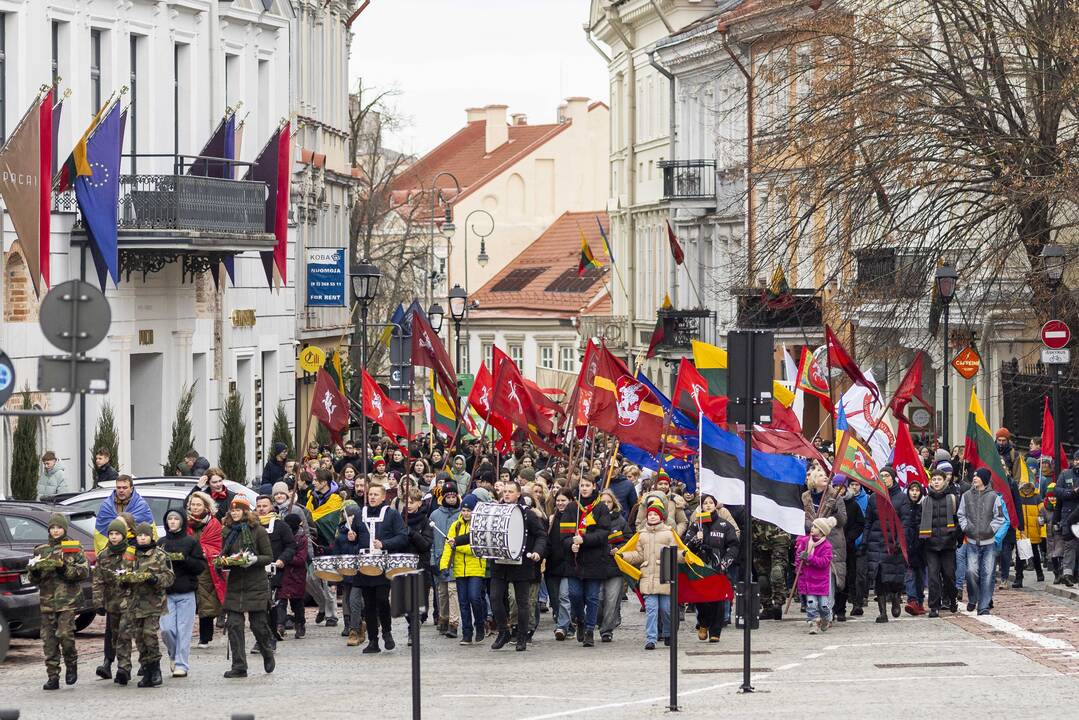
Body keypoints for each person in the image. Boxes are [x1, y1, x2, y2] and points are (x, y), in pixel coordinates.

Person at [29, 513, 91, 690]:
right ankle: (53, 676)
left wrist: (64, 568)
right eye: (53, 528)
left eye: (59, 527)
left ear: (65, 529)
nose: (56, 531)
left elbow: (83, 572)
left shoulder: (73, 548)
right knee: (49, 641)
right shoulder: (41, 550)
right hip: (47, 602)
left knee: (65, 635)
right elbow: (33, 578)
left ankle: (71, 665)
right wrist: (34, 571)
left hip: (67, 601)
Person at [220, 497, 276, 678]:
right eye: (232, 510)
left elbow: (268, 556)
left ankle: (267, 651)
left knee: (258, 625)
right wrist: (222, 562)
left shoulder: (258, 530)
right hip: (236, 584)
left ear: (245, 511)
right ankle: (239, 665)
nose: (234, 513)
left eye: (238, 510)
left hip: (256, 583)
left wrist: (253, 560)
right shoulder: (227, 531)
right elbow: (224, 555)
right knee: (234, 625)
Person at [489, 480, 547, 652]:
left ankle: (522, 636)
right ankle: (504, 632)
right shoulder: (496, 512)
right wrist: (459, 541)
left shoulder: (527, 514)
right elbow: (480, 532)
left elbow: (541, 536)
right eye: (504, 491)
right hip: (499, 563)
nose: (506, 494)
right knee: (495, 598)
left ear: (518, 494)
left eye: (510, 491)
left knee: (522, 603)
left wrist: (537, 552)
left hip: (521, 564)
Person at [352, 483, 409, 654]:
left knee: (382, 599)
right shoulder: (359, 514)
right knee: (368, 604)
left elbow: (402, 537)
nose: (372, 497)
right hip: (364, 565)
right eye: (370, 494)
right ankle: (373, 641)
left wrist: (385, 543)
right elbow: (350, 536)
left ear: (384, 497)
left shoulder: (391, 515)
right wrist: (350, 536)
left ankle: (387, 632)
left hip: (383, 565)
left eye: (376, 494)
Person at [619, 499, 678, 650]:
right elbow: (639, 555)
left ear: (662, 517)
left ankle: (667, 633)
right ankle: (650, 638)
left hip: (665, 576)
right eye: (650, 514)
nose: (652, 516)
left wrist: (682, 555)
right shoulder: (642, 534)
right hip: (647, 578)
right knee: (651, 609)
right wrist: (625, 556)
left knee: (665, 609)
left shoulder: (669, 533)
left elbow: (675, 552)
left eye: (655, 514)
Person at [124, 522, 175, 688]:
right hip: (135, 603)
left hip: (153, 603)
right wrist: (123, 581)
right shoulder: (130, 554)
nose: (142, 538)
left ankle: (155, 670)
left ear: (151, 536)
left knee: (149, 635)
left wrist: (155, 579)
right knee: (139, 638)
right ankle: (145, 670)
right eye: (139, 535)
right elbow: (122, 574)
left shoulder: (159, 555)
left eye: (145, 535)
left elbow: (169, 577)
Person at [563, 475, 612, 647]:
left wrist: (585, 539)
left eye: (587, 485)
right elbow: (564, 533)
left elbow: (604, 532)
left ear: (593, 487)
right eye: (582, 485)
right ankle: (580, 621)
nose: (584, 488)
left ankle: (590, 629)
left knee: (592, 597)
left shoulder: (600, 508)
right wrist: (571, 543)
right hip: (575, 561)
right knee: (575, 595)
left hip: (594, 560)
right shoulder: (572, 507)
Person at [682, 494, 739, 642]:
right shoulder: (695, 525)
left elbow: (733, 546)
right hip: (700, 569)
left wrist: (724, 563)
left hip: (718, 568)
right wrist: (696, 539)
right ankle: (703, 623)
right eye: (705, 503)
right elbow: (686, 547)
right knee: (702, 601)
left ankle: (715, 631)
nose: (708, 505)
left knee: (718, 601)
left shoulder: (724, 525)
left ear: (715, 505)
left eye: (710, 503)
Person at [160, 509, 205, 678]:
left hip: (186, 592)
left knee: (183, 631)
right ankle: (173, 654)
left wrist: (184, 559)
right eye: (169, 518)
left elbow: (200, 566)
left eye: (175, 519)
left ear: (182, 522)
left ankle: (181, 664)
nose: (172, 521)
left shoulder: (191, 542)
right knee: (166, 629)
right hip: (167, 593)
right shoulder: (161, 543)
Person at [958, 468, 1009, 615]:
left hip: (989, 542)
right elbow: (961, 514)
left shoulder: (994, 497)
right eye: (974, 476)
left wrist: (990, 530)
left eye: (978, 477)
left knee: (988, 573)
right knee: (971, 572)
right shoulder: (966, 496)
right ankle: (973, 598)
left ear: (984, 480)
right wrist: (966, 527)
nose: (974, 479)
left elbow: (999, 517)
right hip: (972, 541)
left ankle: (984, 606)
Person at [864, 466, 911, 623]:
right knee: (879, 578)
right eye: (881, 475)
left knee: (894, 578)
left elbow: (905, 522)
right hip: (876, 543)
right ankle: (882, 612)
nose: (884, 478)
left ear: (893, 478)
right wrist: (865, 540)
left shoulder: (902, 498)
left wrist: (900, 542)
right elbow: (868, 521)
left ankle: (896, 597)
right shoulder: (873, 498)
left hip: (893, 544)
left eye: (887, 475)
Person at [442, 494, 487, 645]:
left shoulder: (479, 525)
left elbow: (476, 548)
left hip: (476, 568)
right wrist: (444, 565)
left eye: (469, 510)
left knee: (474, 597)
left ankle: (480, 625)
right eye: (464, 510)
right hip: (460, 569)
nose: (466, 513)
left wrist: (458, 547)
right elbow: (448, 546)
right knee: (463, 602)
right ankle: (467, 633)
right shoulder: (456, 526)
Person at [93, 518, 134, 683]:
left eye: (117, 534)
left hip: (129, 601)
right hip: (112, 602)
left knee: (125, 634)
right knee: (115, 635)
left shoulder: (131, 554)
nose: (114, 537)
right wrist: (98, 602)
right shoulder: (104, 555)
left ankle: (124, 668)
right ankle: (118, 664)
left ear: (123, 535)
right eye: (111, 534)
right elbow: (98, 580)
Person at [801, 464, 847, 607]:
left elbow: (843, 520)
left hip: (832, 542)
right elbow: (801, 518)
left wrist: (835, 511)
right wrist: (815, 525)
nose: (825, 477)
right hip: (812, 542)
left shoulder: (835, 496)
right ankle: (813, 609)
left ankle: (828, 609)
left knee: (829, 577)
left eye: (826, 476)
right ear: (813, 479)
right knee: (813, 576)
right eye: (821, 475)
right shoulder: (805, 497)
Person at [255, 495, 297, 650]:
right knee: (258, 607)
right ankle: (260, 639)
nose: (261, 509)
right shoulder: (251, 525)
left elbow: (291, 546)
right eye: (259, 506)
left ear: (271, 507)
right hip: (255, 571)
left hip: (274, 571)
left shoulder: (281, 525)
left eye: (264, 506)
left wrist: (282, 560)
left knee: (270, 606)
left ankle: (270, 638)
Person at [186, 492, 226, 648]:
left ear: (206, 507)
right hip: (188, 566)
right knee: (188, 602)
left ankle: (205, 637)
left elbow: (217, 546)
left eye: (198, 505)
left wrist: (201, 551)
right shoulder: (185, 524)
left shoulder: (213, 524)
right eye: (193, 505)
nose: (195, 508)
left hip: (205, 567)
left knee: (206, 603)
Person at [920, 470, 960, 617]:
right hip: (930, 545)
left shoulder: (952, 499)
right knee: (933, 577)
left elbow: (958, 520)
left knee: (949, 575)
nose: (936, 482)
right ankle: (934, 606)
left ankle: (952, 598)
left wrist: (954, 535)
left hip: (948, 544)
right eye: (934, 479)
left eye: (939, 479)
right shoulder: (925, 500)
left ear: (945, 481)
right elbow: (920, 521)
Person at [305, 468, 342, 627]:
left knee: (328, 581)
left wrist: (313, 520)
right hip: (314, 543)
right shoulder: (311, 497)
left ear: (324, 483)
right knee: (310, 579)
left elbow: (329, 520)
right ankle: (322, 605)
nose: (313, 483)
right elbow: (307, 515)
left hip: (329, 545)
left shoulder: (335, 499)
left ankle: (331, 615)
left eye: (315, 481)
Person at [430, 479, 462, 638]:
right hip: (438, 557)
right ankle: (443, 617)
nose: (451, 499)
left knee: (452, 590)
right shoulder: (435, 515)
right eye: (447, 496)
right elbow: (430, 540)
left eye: (453, 496)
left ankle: (454, 623)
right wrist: (432, 561)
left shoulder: (462, 515)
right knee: (441, 592)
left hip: (455, 559)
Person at [833, 477, 866, 622]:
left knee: (845, 578)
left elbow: (860, 523)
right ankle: (829, 607)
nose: (838, 490)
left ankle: (841, 609)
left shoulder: (852, 504)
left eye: (841, 487)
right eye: (835, 486)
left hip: (847, 547)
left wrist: (850, 538)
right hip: (828, 546)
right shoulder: (827, 503)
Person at [796, 517, 836, 634]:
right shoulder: (805, 542)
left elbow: (824, 562)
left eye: (815, 527)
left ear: (822, 531)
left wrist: (809, 557)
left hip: (821, 580)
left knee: (823, 605)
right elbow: (798, 557)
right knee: (811, 604)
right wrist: (799, 568)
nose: (812, 528)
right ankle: (813, 623)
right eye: (812, 526)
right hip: (808, 579)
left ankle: (826, 618)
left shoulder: (827, 546)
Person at [94, 475, 154, 553]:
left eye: (125, 488)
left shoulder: (141, 506)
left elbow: (149, 530)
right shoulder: (106, 506)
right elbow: (99, 532)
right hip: (111, 552)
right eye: (118, 487)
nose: (121, 490)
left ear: (131, 489)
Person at [598, 489, 626, 643]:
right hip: (597, 565)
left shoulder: (620, 520)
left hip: (614, 567)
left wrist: (620, 548)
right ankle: (599, 621)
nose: (606, 505)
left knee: (611, 600)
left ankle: (606, 630)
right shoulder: (593, 519)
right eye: (603, 502)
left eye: (609, 502)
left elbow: (628, 538)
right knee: (599, 599)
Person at [545, 489, 574, 641]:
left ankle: (562, 626)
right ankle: (567, 624)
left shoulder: (575, 518)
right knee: (555, 600)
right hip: (552, 565)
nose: (560, 503)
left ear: (570, 500)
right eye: (558, 500)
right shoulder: (551, 519)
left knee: (564, 597)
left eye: (564, 500)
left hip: (568, 565)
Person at [753, 519, 792, 620]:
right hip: (759, 539)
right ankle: (767, 607)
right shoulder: (753, 504)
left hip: (779, 538)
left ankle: (778, 604)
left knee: (776, 572)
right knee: (762, 577)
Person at [277, 513, 308, 638]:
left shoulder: (302, 538)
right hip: (283, 573)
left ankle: (300, 624)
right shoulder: (281, 536)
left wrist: (284, 559)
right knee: (281, 600)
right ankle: (280, 625)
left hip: (296, 573)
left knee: (297, 601)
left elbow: (301, 558)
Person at [633, 470, 688, 535]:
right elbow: (639, 522)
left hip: (669, 538)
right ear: (655, 485)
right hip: (649, 538)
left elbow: (682, 521)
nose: (663, 486)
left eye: (666, 484)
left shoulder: (675, 500)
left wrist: (676, 534)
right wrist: (643, 535)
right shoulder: (647, 499)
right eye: (660, 484)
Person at [1014, 474, 1045, 587]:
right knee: (1019, 555)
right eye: (1025, 487)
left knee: (1035, 554)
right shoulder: (1018, 498)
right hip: (1021, 531)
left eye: (1028, 487)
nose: (1026, 490)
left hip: (1033, 531)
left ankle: (1039, 572)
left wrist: (1041, 521)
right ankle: (1019, 578)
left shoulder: (1037, 497)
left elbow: (1043, 512)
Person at [1054, 450, 1079, 585]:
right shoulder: (1065, 474)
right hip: (1068, 515)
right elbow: (1057, 491)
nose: (1077, 462)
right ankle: (1067, 573)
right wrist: (1071, 492)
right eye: (1076, 460)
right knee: (1070, 544)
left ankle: (1076, 572)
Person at [904, 481, 927, 615]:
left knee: (920, 575)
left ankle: (920, 600)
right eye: (912, 490)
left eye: (917, 490)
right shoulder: (905, 506)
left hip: (921, 547)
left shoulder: (924, 506)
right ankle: (912, 599)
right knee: (910, 574)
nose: (914, 493)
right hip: (908, 546)